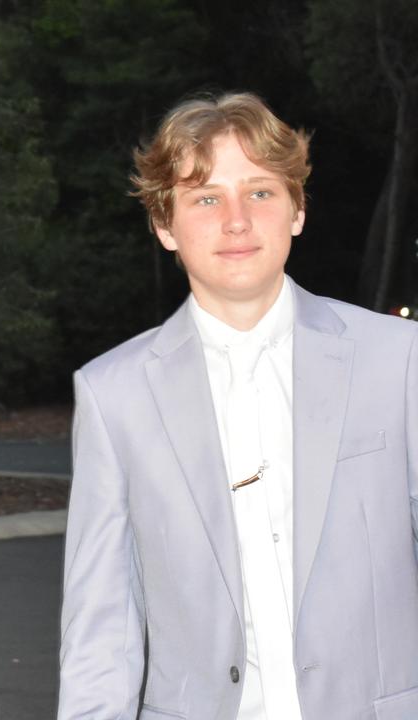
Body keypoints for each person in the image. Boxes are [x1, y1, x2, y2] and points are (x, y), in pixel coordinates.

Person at [58, 92, 418, 719]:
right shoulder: (112, 393)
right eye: (205, 198)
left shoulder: (399, 360)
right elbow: (101, 630)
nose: (235, 220)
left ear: (297, 211)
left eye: (259, 192)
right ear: (165, 226)